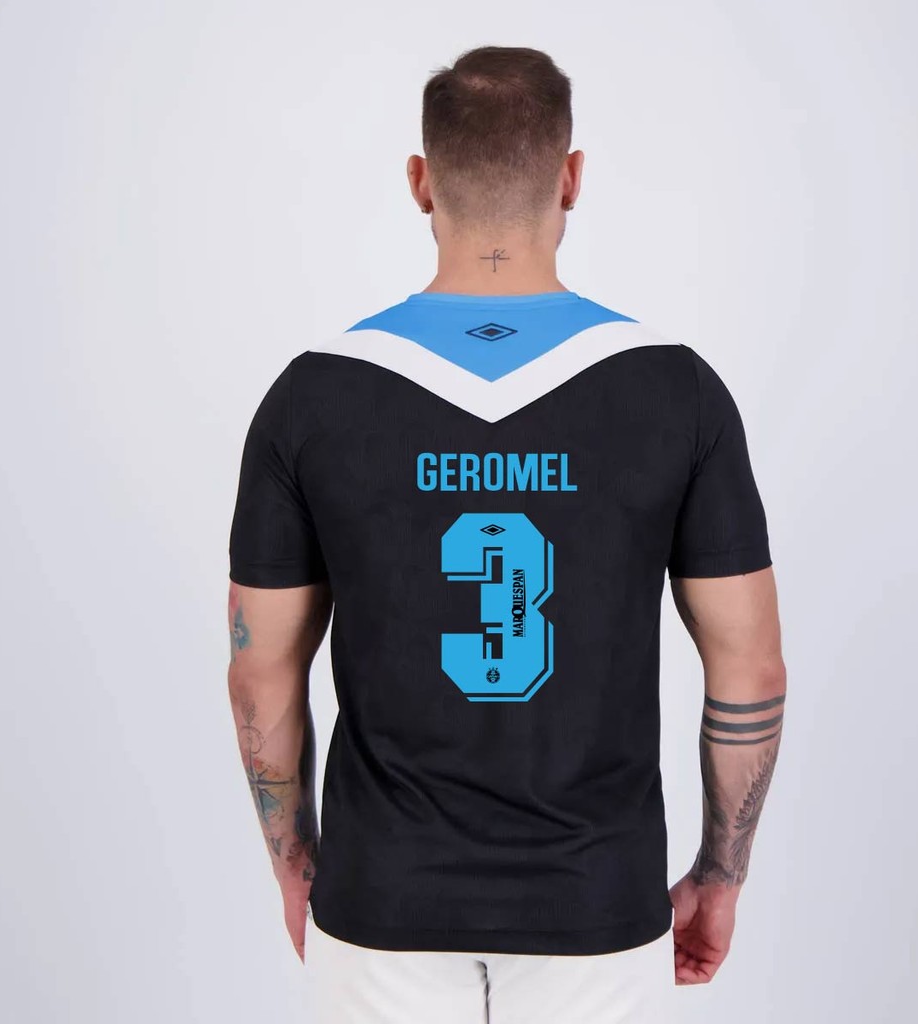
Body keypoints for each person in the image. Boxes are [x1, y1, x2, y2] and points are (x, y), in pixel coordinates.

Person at [226, 44, 787, 1024]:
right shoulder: (676, 391)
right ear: (571, 178)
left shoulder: (312, 396)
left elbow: (259, 671)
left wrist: (294, 860)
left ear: (420, 181)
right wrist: (719, 871)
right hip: (597, 903)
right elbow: (751, 667)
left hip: (382, 901)